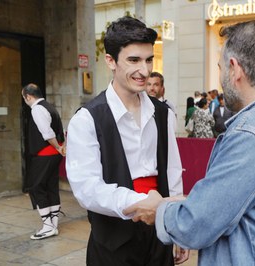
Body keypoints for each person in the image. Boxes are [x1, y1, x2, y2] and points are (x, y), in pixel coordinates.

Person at [125, 20, 255, 265]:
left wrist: (159, 210)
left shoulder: (252, 134)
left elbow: (195, 224)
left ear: (234, 69)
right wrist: (187, 201)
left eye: (219, 68)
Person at [65, 16, 188, 265]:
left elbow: (172, 171)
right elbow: (87, 188)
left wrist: (176, 227)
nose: (144, 70)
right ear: (110, 61)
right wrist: (140, 202)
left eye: (149, 59)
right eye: (134, 60)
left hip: (158, 235)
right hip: (112, 240)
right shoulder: (88, 119)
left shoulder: (163, 113)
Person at [22, 83, 65, 240]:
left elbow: (47, 133)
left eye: (24, 98)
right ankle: (53, 224)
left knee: (36, 187)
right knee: (50, 186)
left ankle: (47, 227)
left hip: (46, 153)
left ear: (28, 96)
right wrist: (60, 148)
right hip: (53, 154)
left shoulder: (37, 108)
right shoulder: (50, 106)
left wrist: (58, 147)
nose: (25, 101)